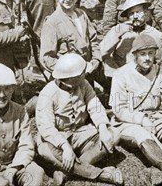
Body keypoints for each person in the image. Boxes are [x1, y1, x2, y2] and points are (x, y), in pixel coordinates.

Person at [36, 53, 123, 185]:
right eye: (83, 72)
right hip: (59, 138)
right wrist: (65, 146)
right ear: (72, 78)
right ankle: (100, 174)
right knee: (43, 149)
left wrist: (103, 128)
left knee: (114, 135)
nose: (85, 74)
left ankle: (66, 172)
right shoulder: (47, 94)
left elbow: (95, 106)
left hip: (81, 133)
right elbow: (46, 128)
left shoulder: (84, 84)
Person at [110, 34, 162, 185]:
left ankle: (154, 172)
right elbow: (118, 109)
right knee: (141, 134)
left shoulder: (160, 71)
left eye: (151, 53)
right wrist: (141, 120)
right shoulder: (121, 75)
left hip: (157, 117)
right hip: (129, 122)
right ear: (134, 56)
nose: (147, 58)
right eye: (142, 54)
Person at [40, 0, 103, 80]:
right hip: (67, 78)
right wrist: (70, 71)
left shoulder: (82, 15)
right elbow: (46, 58)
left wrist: (96, 61)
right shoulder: (52, 23)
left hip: (87, 72)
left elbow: (93, 40)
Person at [100, 0, 162, 77]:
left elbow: (159, 62)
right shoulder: (119, 30)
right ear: (127, 16)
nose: (135, 16)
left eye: (138, 12)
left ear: (145, 13)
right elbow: (102, 52)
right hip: (122, 76)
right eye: (131, 13)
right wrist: (118, 34)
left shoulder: (155, 34)